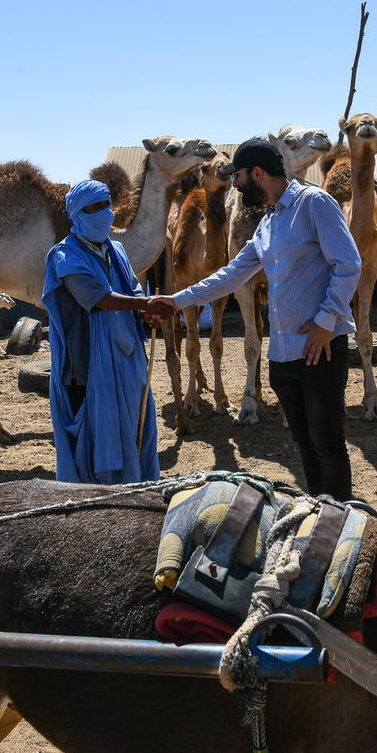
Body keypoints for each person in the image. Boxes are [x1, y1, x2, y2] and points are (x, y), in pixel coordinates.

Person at [151, 138, 361, 501]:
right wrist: (176, 300)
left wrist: (327, 321)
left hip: (320, 349)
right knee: (305, 445)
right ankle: (318, 511)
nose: (234, 185)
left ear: (258, 173)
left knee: (328, 444)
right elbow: (231, 275)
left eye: (238, 177)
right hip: (283, 355)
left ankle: (342, 522)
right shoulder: (270, 222)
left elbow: (348, 264)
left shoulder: (314, 203)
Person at [42, 179, 165, 484]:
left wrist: (146, 313)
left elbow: (133, 290)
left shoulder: (117, 250)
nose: (103, 213)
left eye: (105, 205)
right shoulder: (64, 256)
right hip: (85, 364)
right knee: (96, 438)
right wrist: (145, 302)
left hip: (126, 357)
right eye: (93, 208)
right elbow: (96, 298)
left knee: (134, 428)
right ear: (76, 214)